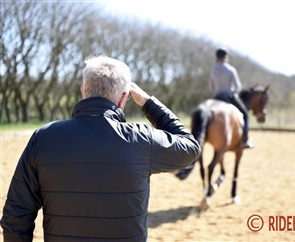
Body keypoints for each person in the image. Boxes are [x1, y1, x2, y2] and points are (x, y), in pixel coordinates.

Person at [1, 56, 201, 242]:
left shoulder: (43, 137)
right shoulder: (142, 139)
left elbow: (16, 216)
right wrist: (148, 103)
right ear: (124, 98)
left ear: (83, 91)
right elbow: (190, 147)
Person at [209, 48, 252, 148]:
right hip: (228, 97)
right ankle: (245, 140)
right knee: (245, 115)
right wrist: (232, 92)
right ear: (225, 57)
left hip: (216, 97)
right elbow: (238, 87)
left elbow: (211, 87)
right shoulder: (230, 69)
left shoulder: (212, 69)